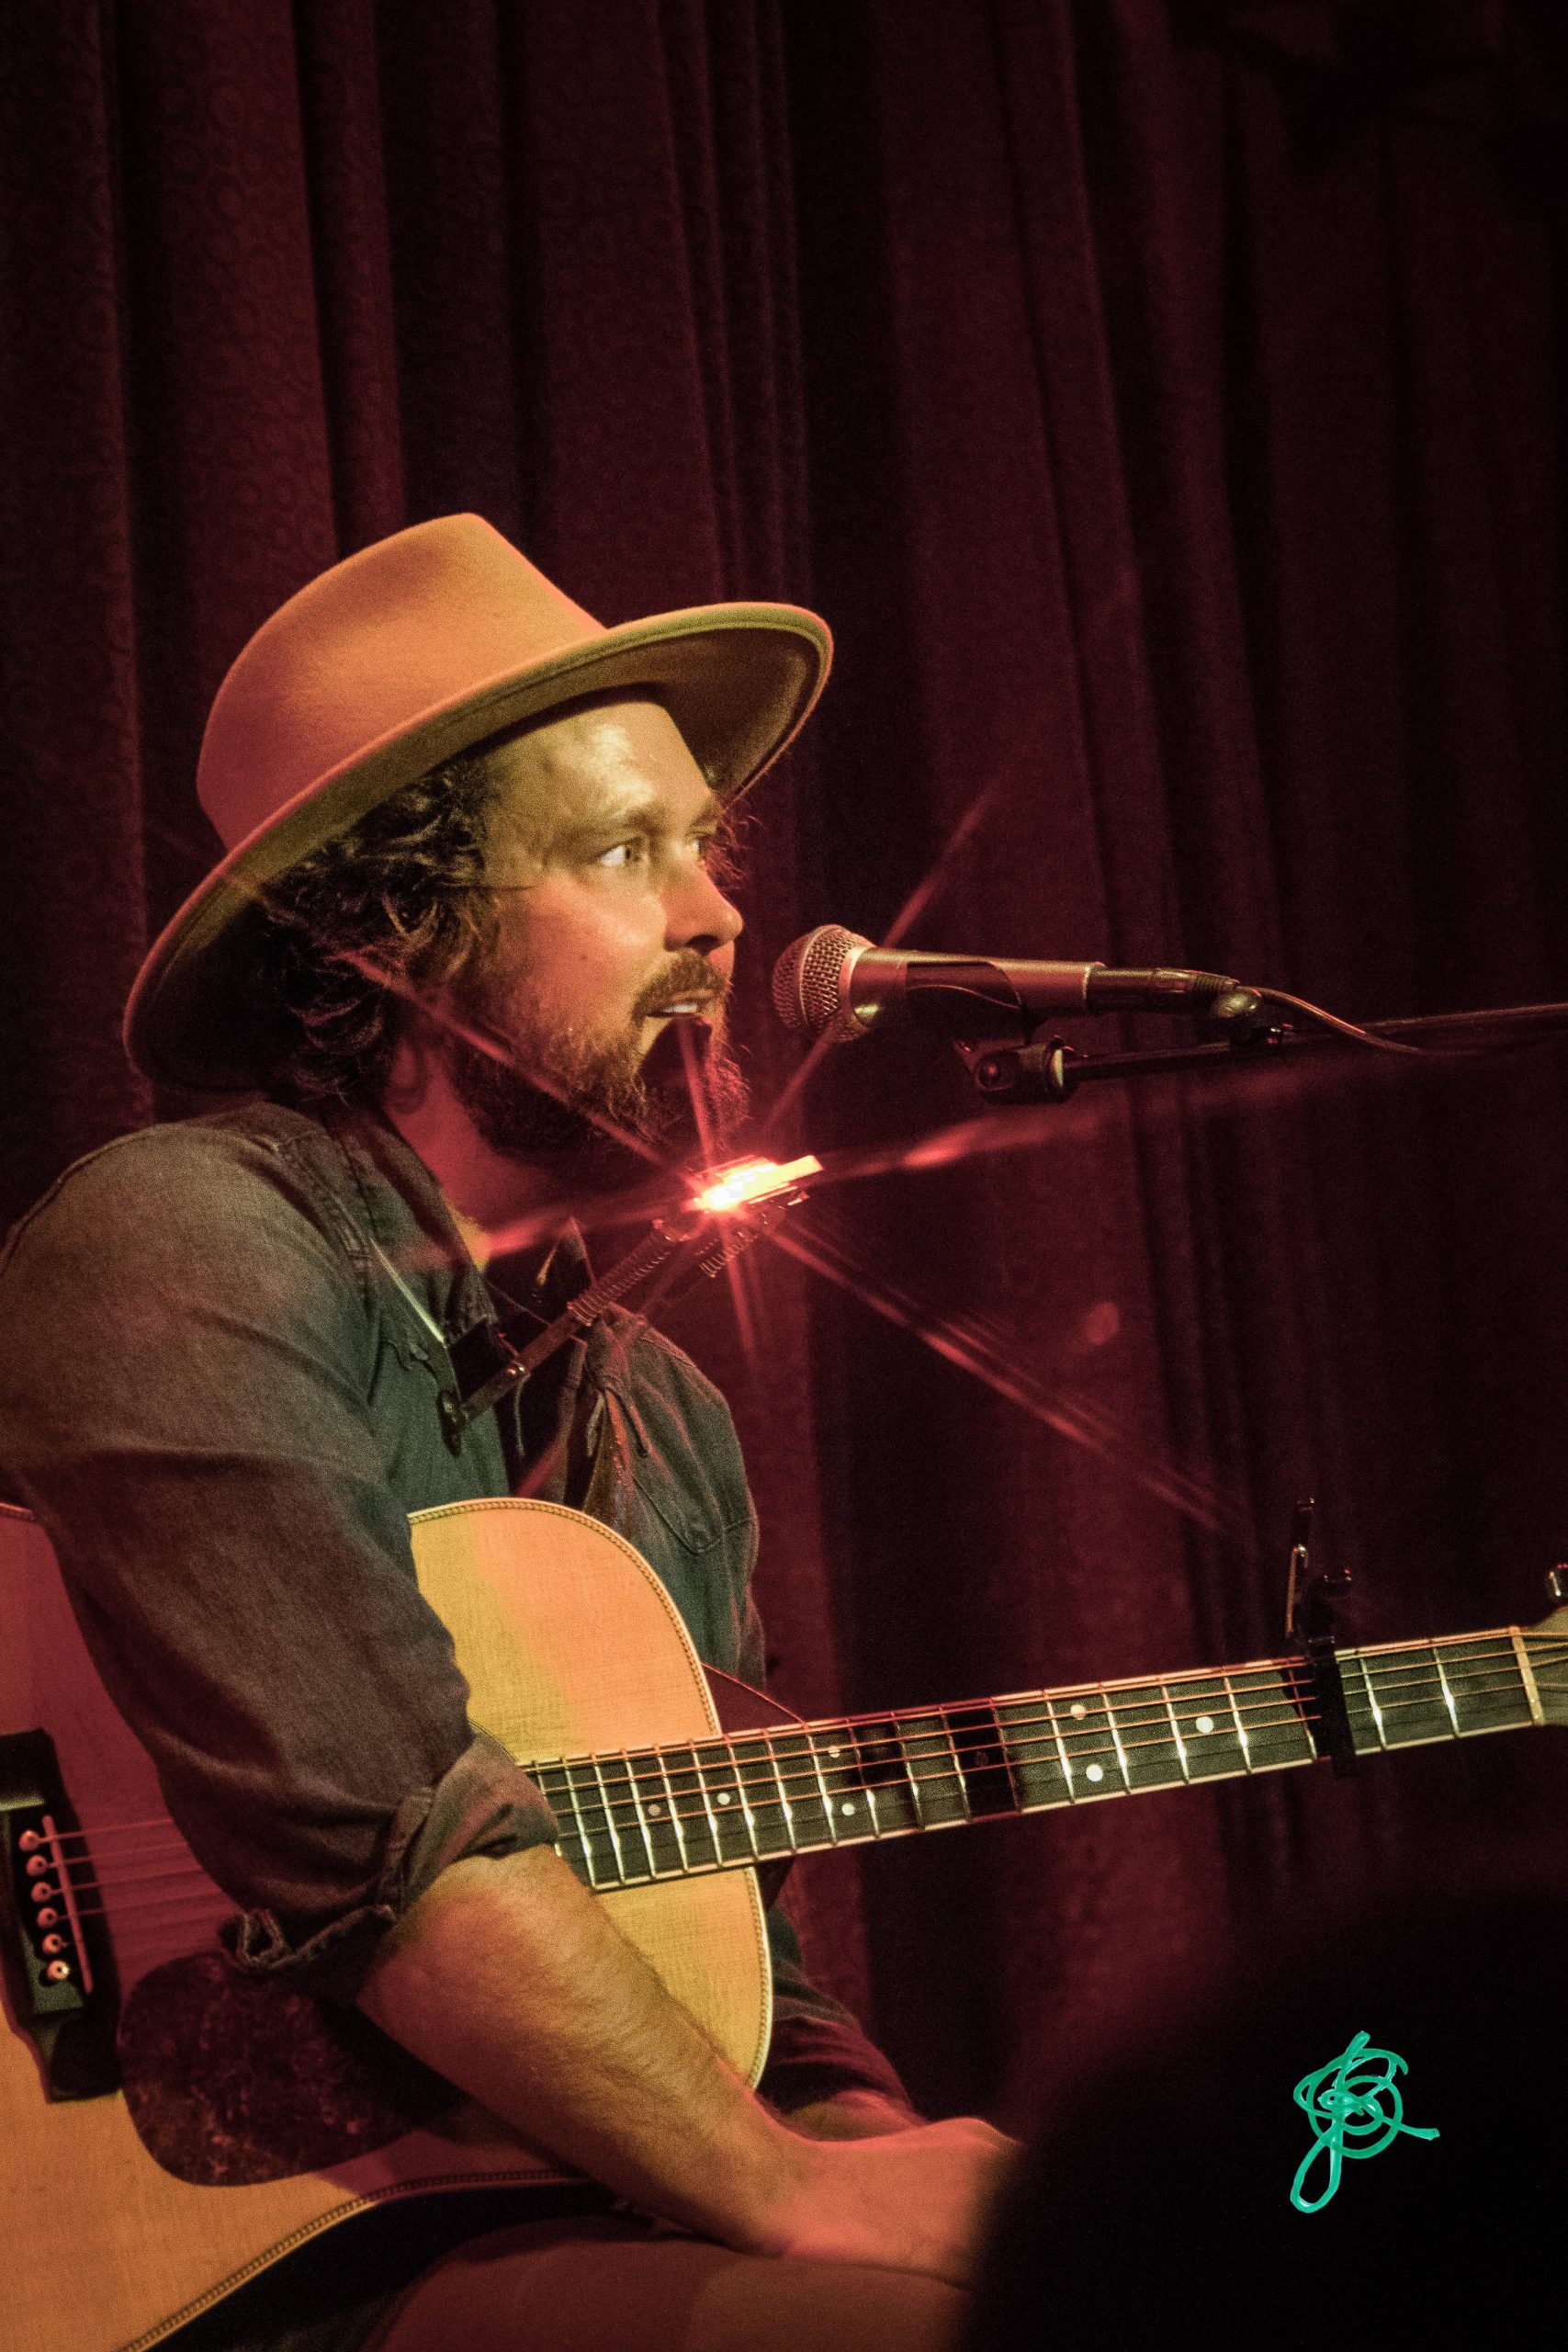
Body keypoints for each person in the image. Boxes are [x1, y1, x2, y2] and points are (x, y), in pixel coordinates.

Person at [0, 515, 1015, 2352]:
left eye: (706, 843)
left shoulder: (658, 1418)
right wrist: (796, 2193)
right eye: (626, 849)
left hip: (564, 2207)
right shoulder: (178, 1242)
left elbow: (729, 1950)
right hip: (238, 2260)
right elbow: (383, 1841)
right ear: (394, 936)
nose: (717, 914)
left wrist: (860, 2127)